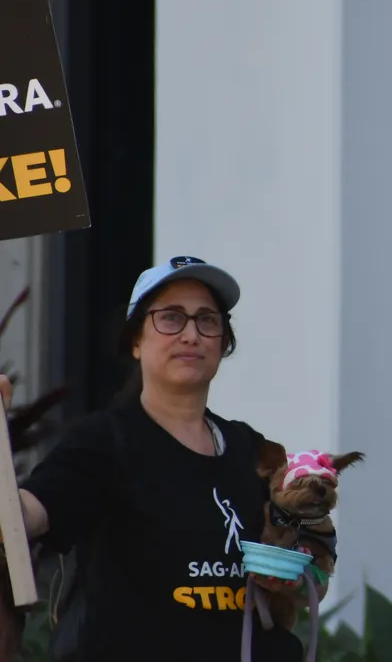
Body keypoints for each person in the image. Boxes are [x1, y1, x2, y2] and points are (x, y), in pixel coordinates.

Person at [0, 255, 322, 661]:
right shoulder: (103, 442)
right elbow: (25, 514)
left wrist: (300, 568)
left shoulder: (251, 448)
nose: (191, 334)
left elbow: (311, 574)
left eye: (207, 320)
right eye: (171, 318)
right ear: (136, 341)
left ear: (223, 344)